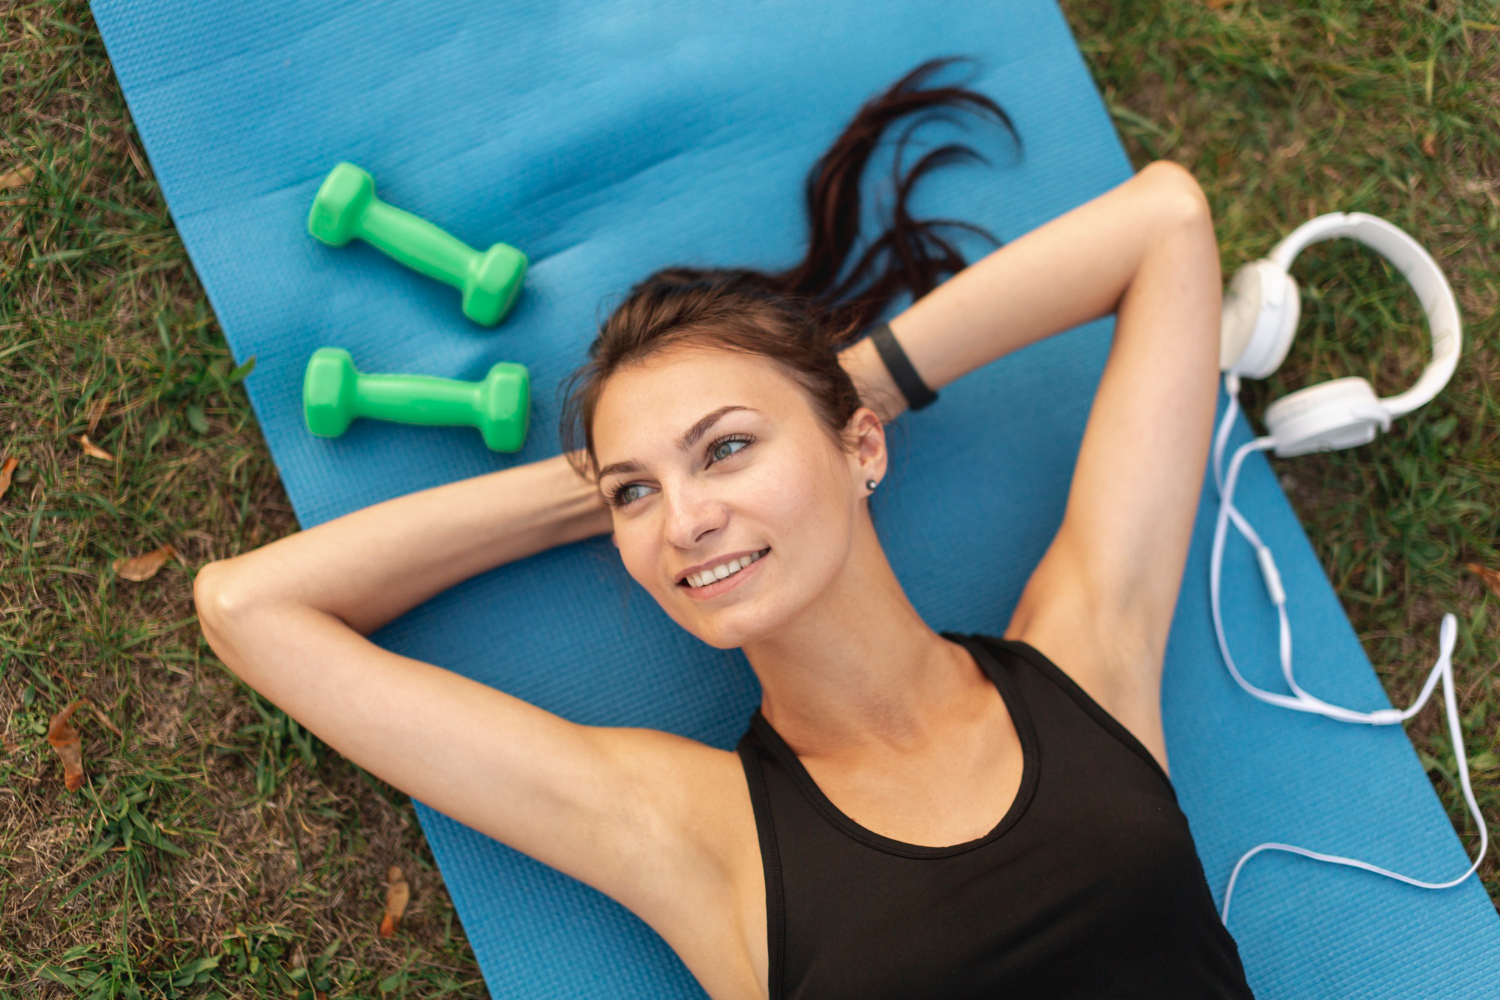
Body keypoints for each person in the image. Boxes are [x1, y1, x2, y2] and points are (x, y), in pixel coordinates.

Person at [194, 59, 1255, 999]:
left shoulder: (1087, 662)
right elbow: (250, 607)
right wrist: (594, 491)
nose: (688, 519)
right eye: (635, 495)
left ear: (863, 449)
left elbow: (1163, 225)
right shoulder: (688, 834)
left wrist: (844, 394)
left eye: (728, 448)